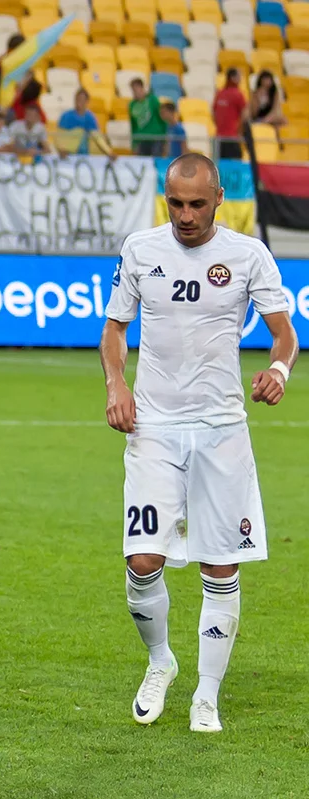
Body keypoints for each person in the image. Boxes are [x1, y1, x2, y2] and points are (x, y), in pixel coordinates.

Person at [99, 153, 297, 735]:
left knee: (220, 564)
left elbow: (284, 332)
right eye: (175, 203)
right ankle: (161, 661)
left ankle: (206, 694)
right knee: (142, 561)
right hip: (154, 426)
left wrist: (278, 372)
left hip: (222, 431)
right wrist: (117, 383)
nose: (185, 215)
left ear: (217, 200)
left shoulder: (247, 255)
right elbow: (114, 329)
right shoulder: (140, 249)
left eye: (196, 204)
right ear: (166, 198)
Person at [57, 88, 114, 155]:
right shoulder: (66, 116)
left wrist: (109, 152)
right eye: (77, 99)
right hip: (68, 155)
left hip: (84, 154)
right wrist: (62, 149)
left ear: (87, 101)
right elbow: (60, 136)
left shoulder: (90, 117)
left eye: (82, 100)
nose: (79, 102)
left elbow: (97, 137)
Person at [213, 69, 247, 160]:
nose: (240, 79)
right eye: (238, 77)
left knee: (220, 167)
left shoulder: (219, 94)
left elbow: (214, 114)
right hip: (232, 137)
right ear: (232, 78)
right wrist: (240, 132)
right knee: (234, 166)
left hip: (219, 138)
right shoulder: (238, 95)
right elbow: (245, 115)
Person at [129, 78, 165, 157]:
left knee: (156, 162)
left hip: (156, 138)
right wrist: (134, 143)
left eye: (136, 89)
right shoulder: (132, 105)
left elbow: (162, 118)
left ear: (141, 87)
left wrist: (164, 137)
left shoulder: (153, 100)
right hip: (142, 139)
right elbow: (133, 126)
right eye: (133, 90)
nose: (134, 92)